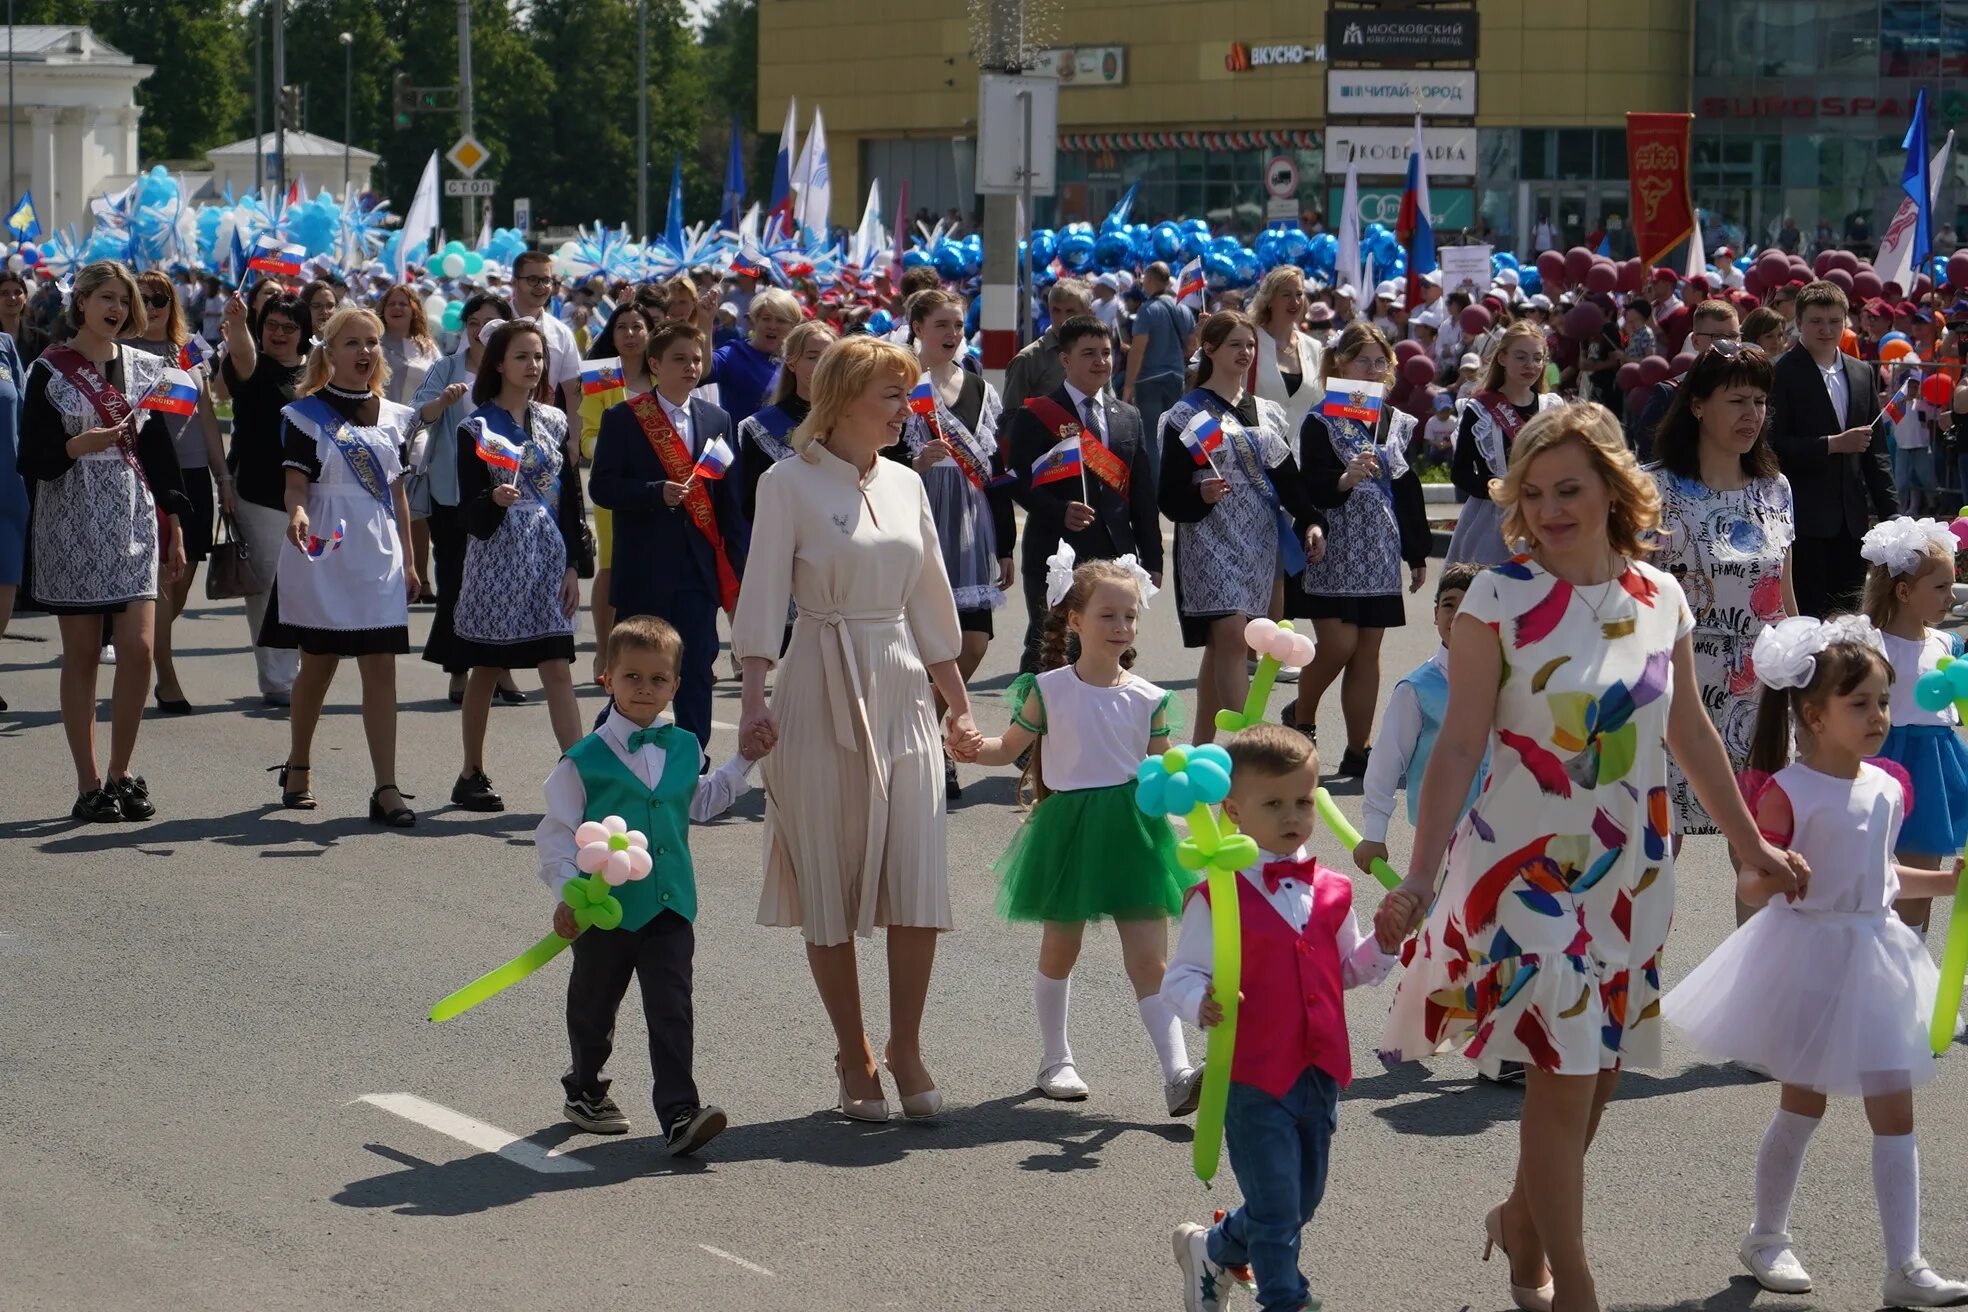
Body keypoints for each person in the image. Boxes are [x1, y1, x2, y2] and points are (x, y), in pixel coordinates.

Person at [1375, 403, 1804, 1312]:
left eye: (1569, 488)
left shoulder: (1663, 596)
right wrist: (1420, 871)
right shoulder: (1497, 599)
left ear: (1614, 488)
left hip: (1634, 872)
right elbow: (1456, 746)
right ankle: (1575, 1285)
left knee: (1597, 1080)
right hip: (1525, 875)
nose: (1551, 509)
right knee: (1562, 1078)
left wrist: (1750, 842)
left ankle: (1521, 1222)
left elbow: (1689, 731)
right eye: (1533, 494)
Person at [1661, 616, 1968, 1309]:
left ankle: (1906, 1265)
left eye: (1884, 701)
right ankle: (1766, 1234)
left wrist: (1947, 883)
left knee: (1897, 1112)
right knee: (1803, 1103)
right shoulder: (1787, 792)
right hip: (1809, 956)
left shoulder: (1888, 788)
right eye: (1859, 703)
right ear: (1812, 713)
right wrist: (1773, 875)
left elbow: (1884, 876)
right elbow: (1751, 881)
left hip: (1879, 954)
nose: (1878, 717)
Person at [733, 334, 980, 1123]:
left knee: (916, 873)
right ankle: (854, 1051)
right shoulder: (786, 482)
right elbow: (764, 596)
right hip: (818, 684)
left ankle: (906, 1047)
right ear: (839, 402)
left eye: (908, 395)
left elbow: (932, 601)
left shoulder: (909, 483)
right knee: (828, 881)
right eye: (891, 396)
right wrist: (752, 701)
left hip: (902, 683)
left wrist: (960, 704)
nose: (906, 411)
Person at [1165, 725, 1400, 1312]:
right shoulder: (1216, 894)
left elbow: (1346, 971)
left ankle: (1215, 1248)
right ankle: (1286, 1300)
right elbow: (1180, 976)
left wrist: (1386, 943)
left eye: (1303, 800)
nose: (1292, 815)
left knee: (1299, 1203)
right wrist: (1202, 1003)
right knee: (1275, 1210)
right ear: (1234, 810)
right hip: (1253, 1077)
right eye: (1273, 804)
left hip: (1319, 1071)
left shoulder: (1333, 889)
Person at [971, 552, 1199, 1110]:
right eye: (1108, 616)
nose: (1121, 627)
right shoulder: (1048, 689)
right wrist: (974, 748)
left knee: (1151, 961)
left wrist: (1200, 814)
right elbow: (1007, 749)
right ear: (1074, 619)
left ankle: (1178, 1073)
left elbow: (1163, 773)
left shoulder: (1149, 698)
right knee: (1061, 947)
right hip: (1070, 831)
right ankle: (1056, 1059)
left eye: (1130, 617)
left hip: (1136, 833)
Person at [536, 615, 758, 1155]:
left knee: (672, 1006)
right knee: (594, 1005)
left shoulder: (683, 745)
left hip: (669, 907)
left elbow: (701, 801)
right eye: (632, 676)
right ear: (606, 678)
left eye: (658, 679)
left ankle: (680, 1112)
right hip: (604, 911)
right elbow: (555, 836)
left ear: (675, 686)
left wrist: (747, 757)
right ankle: (585, 1088)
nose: (645, 688)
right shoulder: (583, 761)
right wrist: (568, 892)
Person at [17, 260, 188, 821]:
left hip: (135, 520)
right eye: (106, 298)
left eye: (124, 300)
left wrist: (175, 523)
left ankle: (123, 770)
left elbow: (161, 454)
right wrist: (77, 446)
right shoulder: (49, 371)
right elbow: (32, 460)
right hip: (72, 519)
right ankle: (89, 781)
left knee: (138, 650)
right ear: (83, 302)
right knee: (85, 654)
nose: (116, 309)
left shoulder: (145, 368)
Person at [260, 306, 419, 827]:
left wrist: (413, 562)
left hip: (377, 554)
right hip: (323, 545)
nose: (364, 351)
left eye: (371, 342)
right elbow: (296, 483)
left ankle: (387, 787)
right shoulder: (305, 415)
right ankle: (299, 764)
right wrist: (297, 510)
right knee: (319, 665)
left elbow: (397, 498)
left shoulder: (394, 415)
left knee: (382, 670)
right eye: (351, 343)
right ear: (328, 353)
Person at [1645, 345, 1796, 879]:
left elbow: (1783, 593)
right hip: (1673, 691)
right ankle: (1641, 963)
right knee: (1657, 852)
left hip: (1759, 696)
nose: (1751, 414)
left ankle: (1762, 966)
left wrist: (1800, 671)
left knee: (1761, 854)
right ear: (1697, 406)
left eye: (1759, 401)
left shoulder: (1775, 488)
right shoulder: (1652, 489)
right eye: (1736, 400)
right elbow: (1630, 595)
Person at [1157, 311, 1325, 744]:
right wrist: (1200, 495)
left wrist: (1309, 520)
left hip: (1260, 541)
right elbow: (1170, 495)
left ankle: (1201, 747)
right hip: (1208, 538)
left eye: (1249, 345)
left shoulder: (1266, 412)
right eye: (1235, 344)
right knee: (1233, 635)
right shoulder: (1184, 415)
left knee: (1225, 647)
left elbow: (1288, 478)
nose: (1245, 353)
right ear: (1208, 349)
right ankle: (1247, 744)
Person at [447, 319, 587, 812]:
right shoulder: (476, 427)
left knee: (557, 664)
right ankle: (471, 771)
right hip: (497, 556)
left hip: (548, 556)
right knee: (486, 665)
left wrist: (573, 563)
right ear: (499, 364)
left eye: (539, 357)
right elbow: (467, 509)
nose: (534, 365)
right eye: (523, 356)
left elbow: (569, 499)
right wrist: (495, 500)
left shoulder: (554, 419)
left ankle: (578, 778)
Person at [1282, 324, 1430, 778]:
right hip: (1334, 545)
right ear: (1340, 365)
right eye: (1361, 360)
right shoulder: (1321, 418)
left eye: (1379, 361)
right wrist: (1344, 479)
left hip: (1379, 549)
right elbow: (1311, 485)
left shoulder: (1394, 421)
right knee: (1339, 644)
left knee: (1368, 652)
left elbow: (1407, 490)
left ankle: (1358, 748)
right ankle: (1302, 716)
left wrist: (1418, 551)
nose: (1371, 369)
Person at [590, 321, 744, 754]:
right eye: (679, 358)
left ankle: (692, 765)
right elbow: (601, 487)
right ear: (655, 364)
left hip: (698, 570)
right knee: (637, 669)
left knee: (695, 668)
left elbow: (728, 500)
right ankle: (610, 755)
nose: (691, 366)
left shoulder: (717, 417)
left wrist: (737, 563)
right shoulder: (623, 417)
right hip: (645, 568)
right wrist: (653, 493)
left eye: (697, 359)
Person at [898, 289, 1013, 799]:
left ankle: (927, 730)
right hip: (914, 509)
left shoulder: (982, 390)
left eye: (959, 324)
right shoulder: (899, 382)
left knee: (974, 641)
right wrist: (912, 464)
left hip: (969, 520)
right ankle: (921, 749)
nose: (952, 334)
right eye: (941, 324)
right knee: (921, 642)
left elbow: (995, 473)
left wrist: (1005, 544)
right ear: (917, 326)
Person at [1006, 315, 1162, 673]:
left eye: (1106, 353)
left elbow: (1141, 493)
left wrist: (1151, 558)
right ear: (1065, 359)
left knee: (1111, 649)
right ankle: (1033, 727)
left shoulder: (1128, 416)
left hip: (1115, 554)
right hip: (1056, 550)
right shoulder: (1038, 414)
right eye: (1089, 353)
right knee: (1050, 648)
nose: (1101, 362)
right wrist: (1058, 510)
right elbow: (1017, 480)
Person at [1860, 517, 1968, 938]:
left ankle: (1910, 968)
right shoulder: (1870, 645)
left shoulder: (1947, 645)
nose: (1950, 598)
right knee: (1868, 879)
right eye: (1940, 588)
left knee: (1917, 886)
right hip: (1879, 766)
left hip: (1933, 774)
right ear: (1904, 592)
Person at [128, 268, 229, 715]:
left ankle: (147, 646)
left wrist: (223, 478)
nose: (152, 307)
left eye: (161, 299)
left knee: (182, 585)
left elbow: (207, 416)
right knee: (165, 582)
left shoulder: (188, 351)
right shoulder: (121, 351)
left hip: (193, 475)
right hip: (148, 476)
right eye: (144, 298)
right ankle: (165, 678)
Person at [413, 292, 519, 704]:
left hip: (507, 495)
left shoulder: (514, 368)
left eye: (489, 322)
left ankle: (500, 671)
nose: (479, 330)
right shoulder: (446, 367)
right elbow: (417, 413)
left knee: (501, 585)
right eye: (473, 321)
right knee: (457, 581)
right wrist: (442, 402)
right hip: (453, 494)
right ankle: (458, 670)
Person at [1352, 562, 1489, 876]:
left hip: (1507, 831)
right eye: (1449, 605)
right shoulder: (1417, 690)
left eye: (1472, 606)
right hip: (1444, 836)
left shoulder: (1512, 681)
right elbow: (1386, 761)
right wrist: (1374, 833)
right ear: (1435, 613)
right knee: (1444, 915)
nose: (1458, 615)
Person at [1770, 281, 1896, 617]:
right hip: (1802, 521)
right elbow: (1772, 445)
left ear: (1845, 322)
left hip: (1851, 521)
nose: (1826, 330)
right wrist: (1832, 445)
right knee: (1808, 616)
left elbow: (1876, 452)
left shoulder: (1859, 373)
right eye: (1816, 321)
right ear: (1798, 322)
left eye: (1834, 321)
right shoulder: (1781, 372)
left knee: (1849, 618)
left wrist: (1893, 516)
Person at [219, 288, 311, 706]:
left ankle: (303, 673)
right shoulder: (253, 368)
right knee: (270, 587)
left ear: (303, 332)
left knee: (305, 587)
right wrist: (238, 325)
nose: (279, 333)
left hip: (311, 496)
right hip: (260, 493)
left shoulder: (317, 372)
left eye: (289, 327)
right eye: (271, 325)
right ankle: (277, 680)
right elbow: (241, 354)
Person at [578, 302, 656, 682]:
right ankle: (603, 652)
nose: (629, 333)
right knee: (610, 567)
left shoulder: (664, 373)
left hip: (660, 489)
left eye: (637, 326)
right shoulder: (602, 374)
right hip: (616, 488)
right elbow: (588, 436)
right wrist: (612, 455)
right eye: (621, 326)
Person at [1445, 320, 1563, 565]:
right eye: (1520, 357)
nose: (1530, 365)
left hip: (1545, 517)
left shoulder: (1553, 408)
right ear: (1502, 358)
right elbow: (1461, 472)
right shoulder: (1479, 409)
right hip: (1492, 520)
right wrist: (1494, 489)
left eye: (1537, 358)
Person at [736, 319, 832, 523]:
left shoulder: (851, 419)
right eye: (813, 357)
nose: (822, 365)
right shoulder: (759, 427)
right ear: (791, 362)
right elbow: (752, 505)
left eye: (830, 357)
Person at [380, 284, 441, 600]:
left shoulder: (427, 347)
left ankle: (422, 579)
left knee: (417, 510)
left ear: (415, 308)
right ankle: (389, 575)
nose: (398, 308)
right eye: (392, 303)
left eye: (404, 303)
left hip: (418, 433)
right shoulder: (374, 343)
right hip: (381, 431)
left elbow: (439, 384)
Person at [1630, 299, 1742, 461]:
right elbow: (1649, 453)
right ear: (1696, 341)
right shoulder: (1669, 393)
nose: (1728, 344)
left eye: (1733, 336)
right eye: (1717, 337)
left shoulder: (1749, 391)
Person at [509, 251, 584, 456]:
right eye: (533, 280)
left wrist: (575, 440)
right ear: (514, 282)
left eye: (546, 280)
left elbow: (573, 391)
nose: (541, 287)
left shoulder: (561, 333)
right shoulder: (492, 324)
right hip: (496, 434)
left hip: (545, 437)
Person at [1123, 261, 1198, 463]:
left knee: (1152, 440)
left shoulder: (1147, 310)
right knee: (1172, 437)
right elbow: (1192, 347)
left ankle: (1154, 491)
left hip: (1149, 381)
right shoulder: (1183, 309)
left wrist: (1128, 386)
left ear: (1150, 280)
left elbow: (1138, 349)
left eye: (1144, 279)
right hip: (1175, 379)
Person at [707, 287, 797, 428]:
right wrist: (704, 322)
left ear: (793, 326)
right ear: (754, 321)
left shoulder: (797, 361)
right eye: (766, 319)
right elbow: (703, 370)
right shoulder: (734, 353)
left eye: (781, 320)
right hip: (740, 448)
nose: (772, 326)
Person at [1248, 267, 1322, 436]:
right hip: (1259, 453)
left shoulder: (1314, 347)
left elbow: (1318, 406)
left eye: (1299, 294)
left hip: (1302, 457)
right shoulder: (1250, 341)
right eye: (1286, 295)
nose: (1295, 302)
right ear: (1269, 300)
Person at [1002, 279, 1094, 413]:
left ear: (1087, 313)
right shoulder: (1029, 359)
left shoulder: (1098, 356)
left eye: (1070, 311)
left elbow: (1108, 409)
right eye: (1056, 310)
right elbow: (1010, 417)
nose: (1062, 319)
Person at [0, 269, 50, 367]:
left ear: (26, 297)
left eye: (17, 292)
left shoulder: (41, 339)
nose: (12, 297)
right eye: (5, 293)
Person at [1419, 391, 1458, 469]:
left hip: (1450, 446)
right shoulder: (1431, 422)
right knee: (1433, 454)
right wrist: (1438, 444)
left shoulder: (1454, 421)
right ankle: (1433, 464)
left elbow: (1458, 438)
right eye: (1442, 411)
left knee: (1453, 454)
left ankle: (1450, 465)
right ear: (1435, 410)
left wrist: (1449, 444)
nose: (1445, 414)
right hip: (1436, 446)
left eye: (1447, 410)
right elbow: (1428, 439)